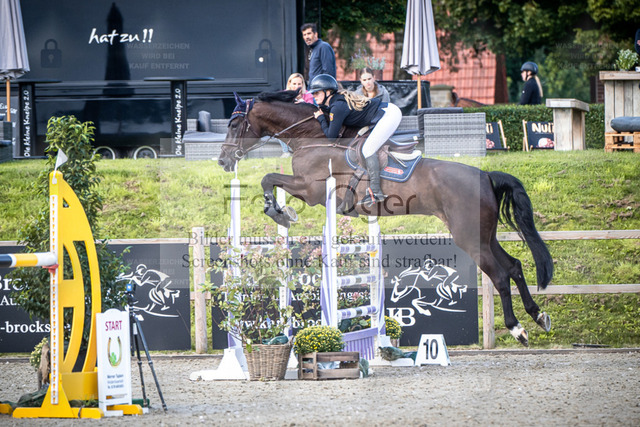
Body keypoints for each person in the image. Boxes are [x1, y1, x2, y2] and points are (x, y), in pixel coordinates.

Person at [308, 74, 402, 207]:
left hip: (389, 115)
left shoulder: (337, 106)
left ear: (327, 92)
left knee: (368, 150)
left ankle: (375, 192)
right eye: (313, 93)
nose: (314, 96)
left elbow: (331, 137)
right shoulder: (335, 102)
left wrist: (321, 118)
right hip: (386, 112)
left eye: (317, 93)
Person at [278, 73, 315, 157]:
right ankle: (286, 151)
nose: (297, 86)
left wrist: (302, 102)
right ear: (290, 84)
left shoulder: (308, 95)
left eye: (299, 84)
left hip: (304, 122)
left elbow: (311, 110)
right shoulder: (284, 95)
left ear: (302, 84)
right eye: (294, 84)